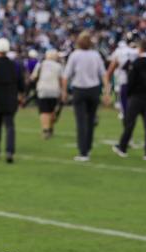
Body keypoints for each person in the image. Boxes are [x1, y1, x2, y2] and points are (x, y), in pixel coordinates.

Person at [113, 41, 146, 160]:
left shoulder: (136, 63)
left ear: (140, 49)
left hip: (137, 96)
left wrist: (130, 94)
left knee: (130, 123)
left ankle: (123, 147)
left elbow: (131, 81)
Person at [62, 31, 105, 162]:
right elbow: (103, 74)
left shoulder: (75, 55)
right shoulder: (96, 55)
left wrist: (64, 91)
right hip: (94, 89)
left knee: (81, 121)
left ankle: (83, 151)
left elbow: (66, 75)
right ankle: (88, 146)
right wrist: (107, 92)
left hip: (79, 89)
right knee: (91, 120)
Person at [32, 50, 63, 139]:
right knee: (52, 110)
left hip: (43, 89)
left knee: (44, 111)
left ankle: (45, 129)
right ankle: (50, 128)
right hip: (54, 90)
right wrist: (63, 91)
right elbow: (61, 79)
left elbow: (33, 76)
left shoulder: (40, 64)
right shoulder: (58, 66)